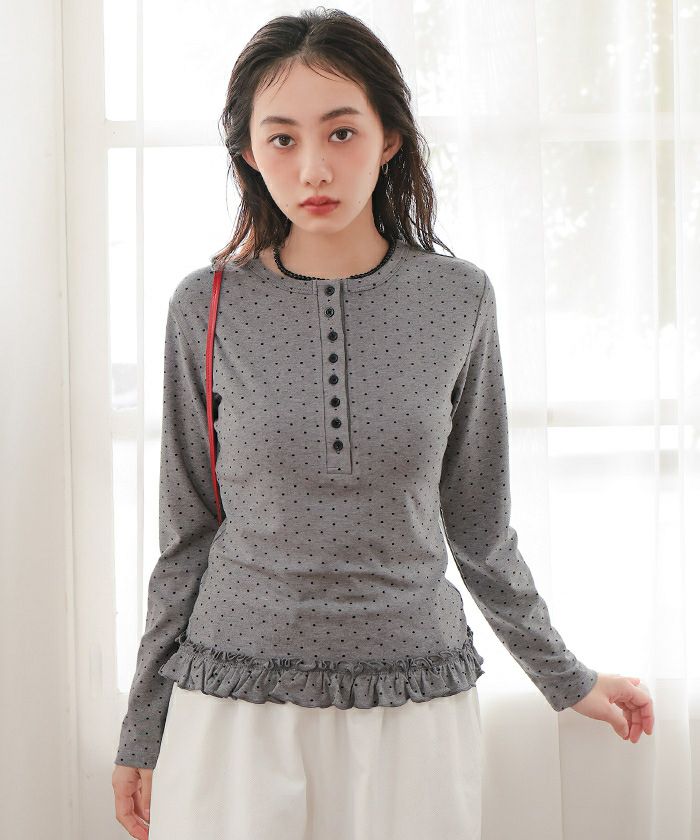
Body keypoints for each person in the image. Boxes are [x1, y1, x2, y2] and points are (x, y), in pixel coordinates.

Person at [111, 8, 655, 840]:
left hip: (414, 706)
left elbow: (481, 526)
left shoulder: (459, 298)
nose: (314, 167)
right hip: (234, 707)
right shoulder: (205, 305)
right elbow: (185, 536)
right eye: (282, 139)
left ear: (389, 137)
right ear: (248, 152)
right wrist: (143, 729)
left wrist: (566, 677)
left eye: (341, 132)